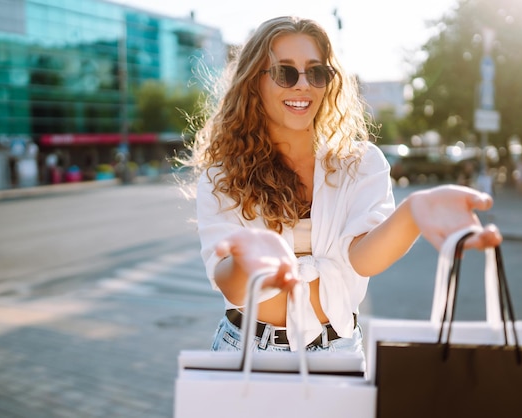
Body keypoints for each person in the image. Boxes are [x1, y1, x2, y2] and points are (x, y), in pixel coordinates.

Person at [179, 16, 502, 354]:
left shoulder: (361, 164)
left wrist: (412, 213)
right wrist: (248, 261)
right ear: (253, 83)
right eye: (284, 72)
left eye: (316, 72)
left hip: (339, 350)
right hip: (244, 350)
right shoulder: (222, 176)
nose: (302, 85)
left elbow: (363, 259)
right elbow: (231, 286)